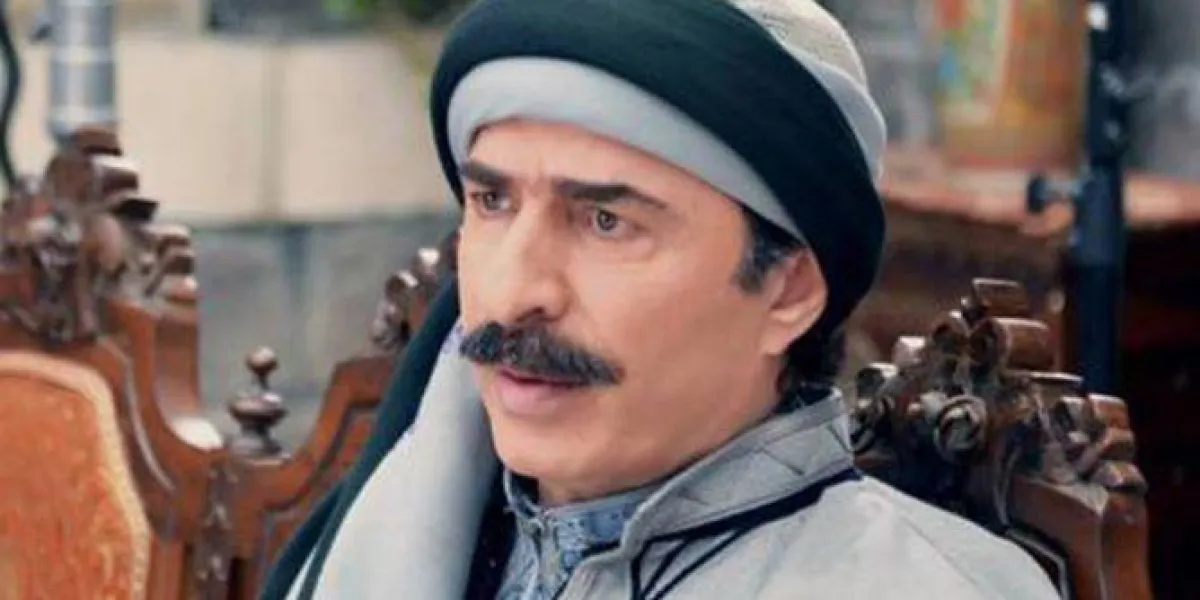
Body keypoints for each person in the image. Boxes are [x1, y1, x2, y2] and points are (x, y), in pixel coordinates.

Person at [262, 0, 1060, 598]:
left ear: (787, 289)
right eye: (492, 203)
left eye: (605, 221)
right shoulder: (407, 532)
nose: (512, 292)